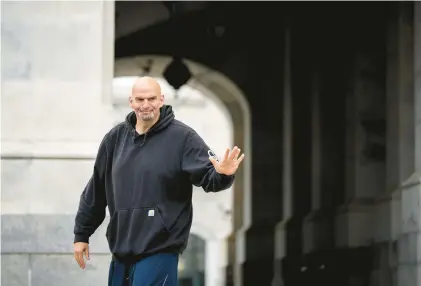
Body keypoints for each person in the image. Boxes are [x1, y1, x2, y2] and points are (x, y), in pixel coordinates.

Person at [73, 76, 245, 286]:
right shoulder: (114, 139)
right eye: (140, 99)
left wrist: (224, 173)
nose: (146, 105)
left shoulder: (183, 138)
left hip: (160, 249)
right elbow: (96, 189)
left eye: (152, 99)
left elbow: (210, 178)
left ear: (161, 100)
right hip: (121, 250)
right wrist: (82, 233)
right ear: (131, 102)